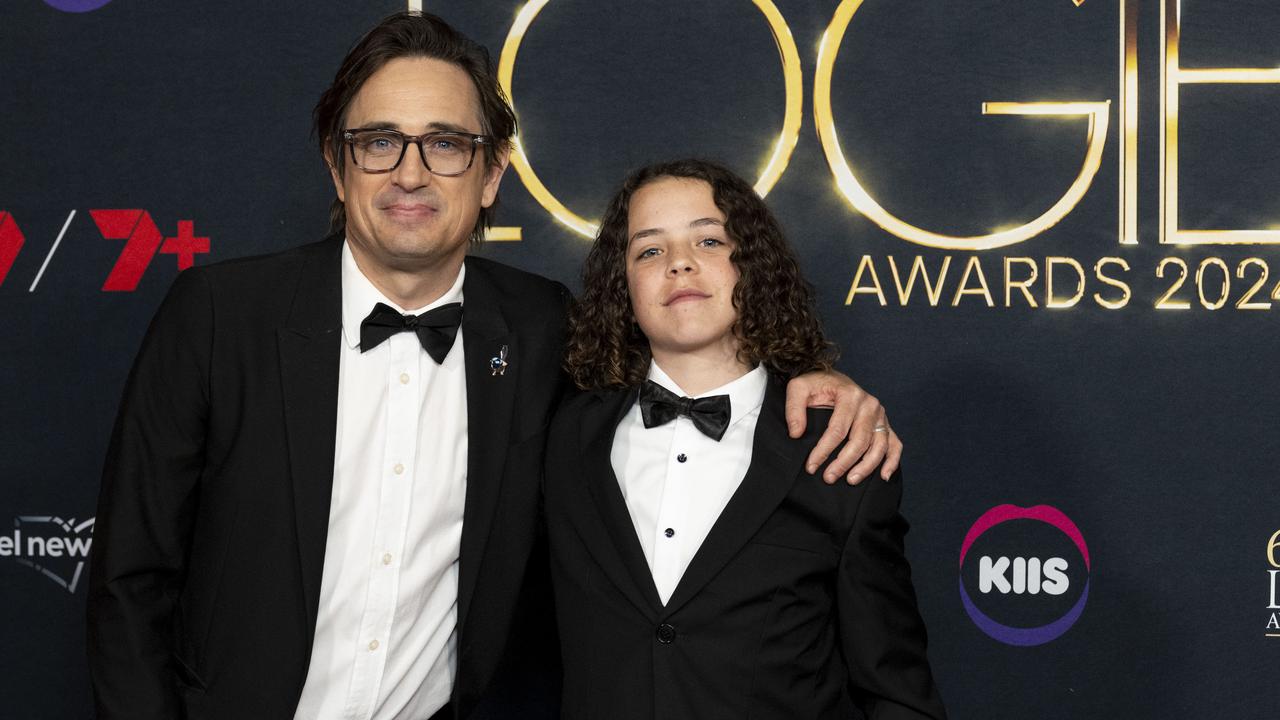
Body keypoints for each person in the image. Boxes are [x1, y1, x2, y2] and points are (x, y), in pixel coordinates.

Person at [85, 12, 901, 720]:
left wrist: (814, 383)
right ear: (337, 166)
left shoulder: (547, 330)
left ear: (491, 176)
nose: (411, 172)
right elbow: (130, 580)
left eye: (445, 144)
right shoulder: (219, 316)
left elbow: (691, 358)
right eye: (379, 143)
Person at [544, 159, 946, 719]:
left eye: (708, 240)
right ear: (623, 287)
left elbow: (897, 693)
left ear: (751, 266)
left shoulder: (839, 450)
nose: (680, 263)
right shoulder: (563, 436)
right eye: (649, 250)